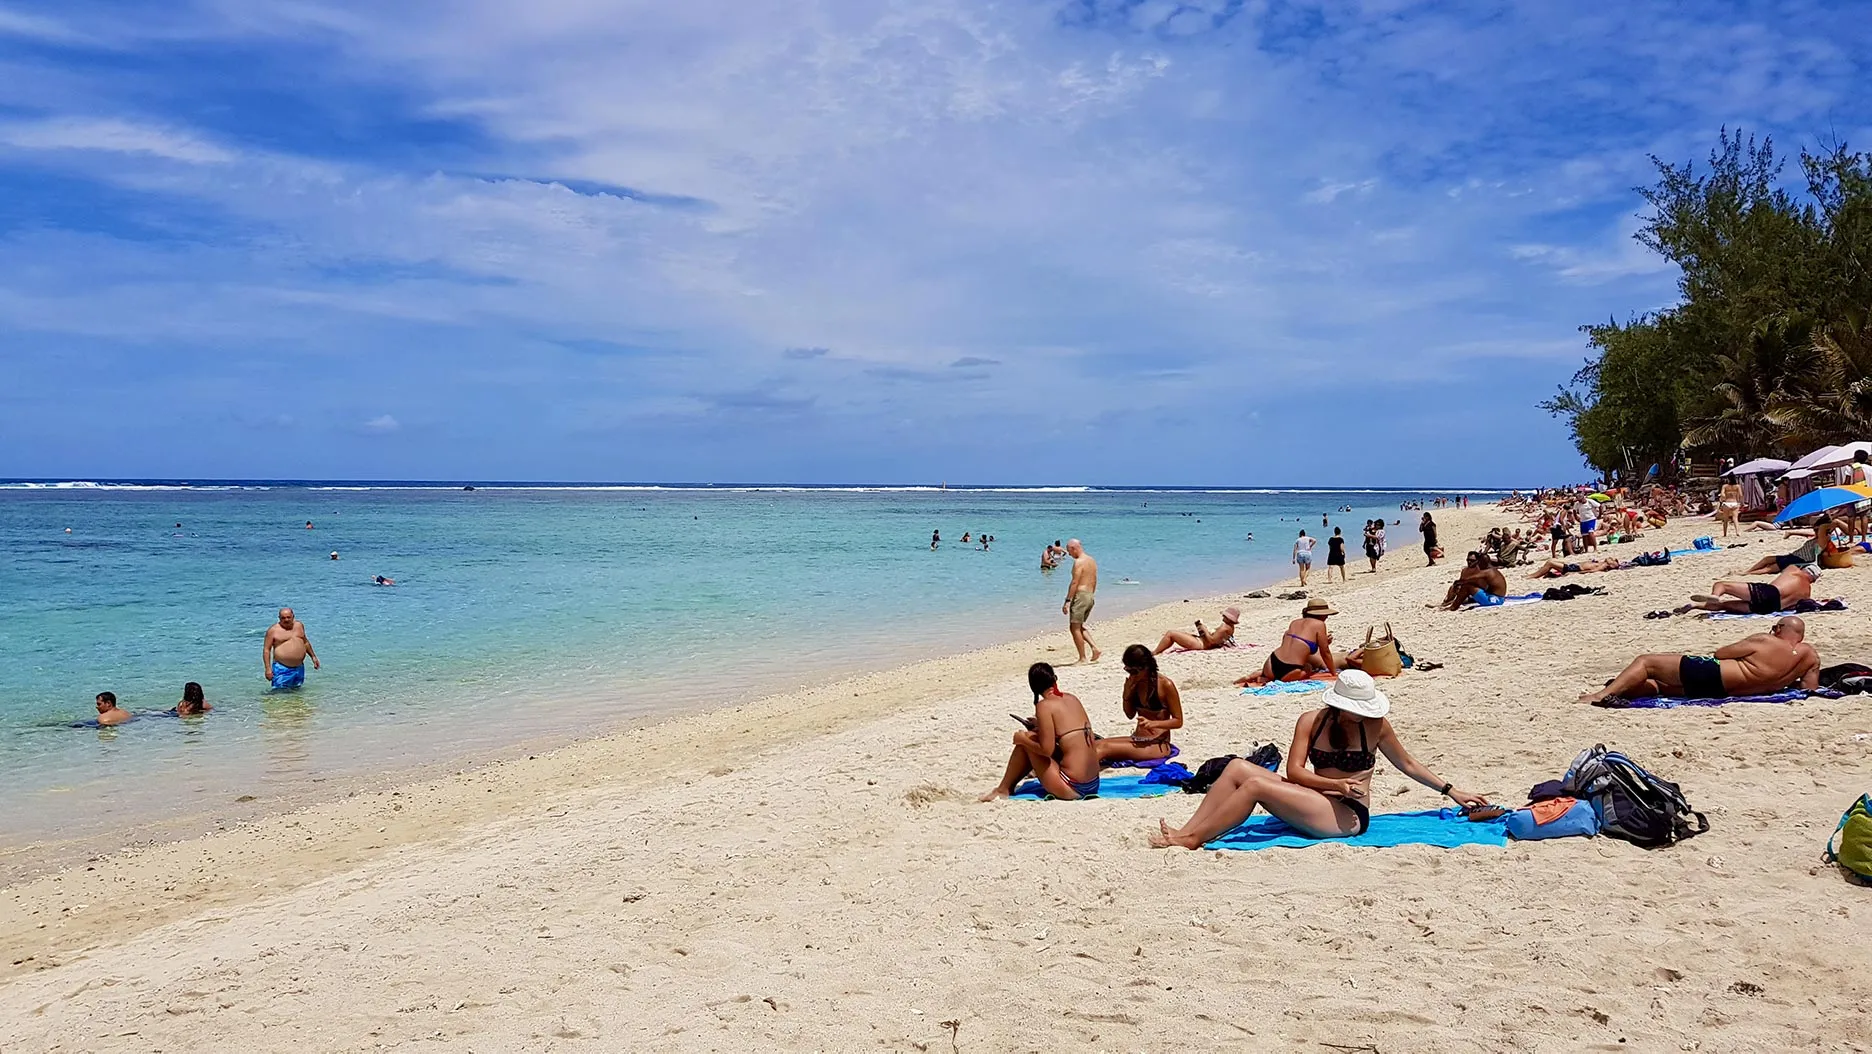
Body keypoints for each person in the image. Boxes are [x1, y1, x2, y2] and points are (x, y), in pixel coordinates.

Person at [1147, 671, 1487, 848]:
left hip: (1347, 816)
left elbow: (1407, 763)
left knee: (1252, 785)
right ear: (1339, 706)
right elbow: (1294, 772)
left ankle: (1193, 840)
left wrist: (1451, 790)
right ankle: (1187, 830)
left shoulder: (1376, 727)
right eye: (1354, 711)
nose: (1359, 717)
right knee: (1237, 767)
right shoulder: (1312, 721)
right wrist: (1334, 783)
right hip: (1314, 798)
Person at [1578, 618, 1821, 703]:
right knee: (1660, 686)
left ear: (1779, 628)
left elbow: (1721, 653)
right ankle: (1622, 689)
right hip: (1728, 691)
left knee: (1647, 661)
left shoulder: (1766, 641)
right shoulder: (1810, 656)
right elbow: (1808, 689)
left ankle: (1602, 695)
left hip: (1715, 675)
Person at [980, 663, 1101, 800]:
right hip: (1093, 784)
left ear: (1034, 688)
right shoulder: (1071, 698)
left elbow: (1046, 750)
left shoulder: (1044, 706)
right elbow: (1070, 733)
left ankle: (1003, 789)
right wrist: (1041, 725)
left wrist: (1022, 739)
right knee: (1032, 738)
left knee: (1028, 739)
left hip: (1072, 787)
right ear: (1054, 679)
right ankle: (1003, 789)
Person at [1097, 646, 1184, 765]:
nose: (1131, 675)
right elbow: (1130, 714)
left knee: (1104, 748)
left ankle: (1079, 778)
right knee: (1096, 744)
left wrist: (1153, 723)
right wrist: (1126, 694)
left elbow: (1178, 721)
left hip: (1157, 744)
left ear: (1146, 667)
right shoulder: (1136, 683)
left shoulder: (1165, 685)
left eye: (1134, 671)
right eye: (1128, 670)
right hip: (1137, 739)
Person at [1237, 599, 1336, 684]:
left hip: (1271, 661)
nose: (1327, 617)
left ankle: (1259, 676)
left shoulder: (1294, 622)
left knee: (1276, 673)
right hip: (1290, 669)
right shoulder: (1319, 624)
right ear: (1321, 614)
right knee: (1308, 668)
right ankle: (1270, 677)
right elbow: (1325, 652)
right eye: (1326, 614)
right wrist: (1333, 673)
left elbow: (1291, 647)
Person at [1681, 563, 1819, 616]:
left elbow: (1779, 576)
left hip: (1770, 592)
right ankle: (1695, 605)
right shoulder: (1807, 593)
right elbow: (1791, 608)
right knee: (1724, 606)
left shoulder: (1794, 569)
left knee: (1722, 585)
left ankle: (1715, 595)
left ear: (1805, 569)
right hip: (1771, 608)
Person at [1062, 539, 1100, 663]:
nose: (1068, 554)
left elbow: (1074, 582)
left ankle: (1082, 658)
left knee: (1074, 627)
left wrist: (1067, 600)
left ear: (1074, 548)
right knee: (1078, 626)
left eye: (1069, 551)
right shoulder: (1092, 560)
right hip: (1089, 595)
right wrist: (1091, 595)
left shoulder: (1079, 562)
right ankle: (1095, 648)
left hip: (1081, 595)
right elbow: (1094, 580)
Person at [262, 607, 320, 689]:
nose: (286, 620)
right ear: (279, 618)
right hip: (281, 668)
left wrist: (313, 657)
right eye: (283, 618)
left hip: (299, 668)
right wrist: (268, 669)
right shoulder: (273, 630)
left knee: (296, 693)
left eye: (288, 617)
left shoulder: (299, 625)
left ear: (293, 616)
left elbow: (305, 642)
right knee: (279, 694)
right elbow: (266, 650)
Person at [1152, 606, 1240, 654]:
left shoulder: (1223, 628)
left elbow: (1212, 641)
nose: (1223, 616)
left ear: (1228, 618)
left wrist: (1204, 629)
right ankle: (1159, 650)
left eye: (1225, 616)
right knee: (1180, 634)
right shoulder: (1230, 627)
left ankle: (1155, 652)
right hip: (1203, 642)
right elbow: (1216, 640)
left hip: (1202, 644)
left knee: (1170, 633)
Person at [1439, 551, 1508, 609]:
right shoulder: (1490, 570)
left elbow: (1469, 579)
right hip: (1493, 596)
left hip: (1496, 599)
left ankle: (1453, 607)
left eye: (1473, 561)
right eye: (1468, 560)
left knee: (1467, 587)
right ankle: (1448, 603)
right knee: (1462, 586)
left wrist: (1459, 582)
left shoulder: (1488, 571)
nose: (1469, 562)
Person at [1529, 555, 1624, 578]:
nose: (1612, 558)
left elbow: (1591, 571)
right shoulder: (1603, 562)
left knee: (1550, 563)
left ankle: (1533, 576)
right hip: (1573, 566)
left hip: (1573, 569)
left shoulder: (1602, 566)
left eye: (1613, 561)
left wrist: (1575, 573)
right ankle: (1534, 575)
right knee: (1552, 561)